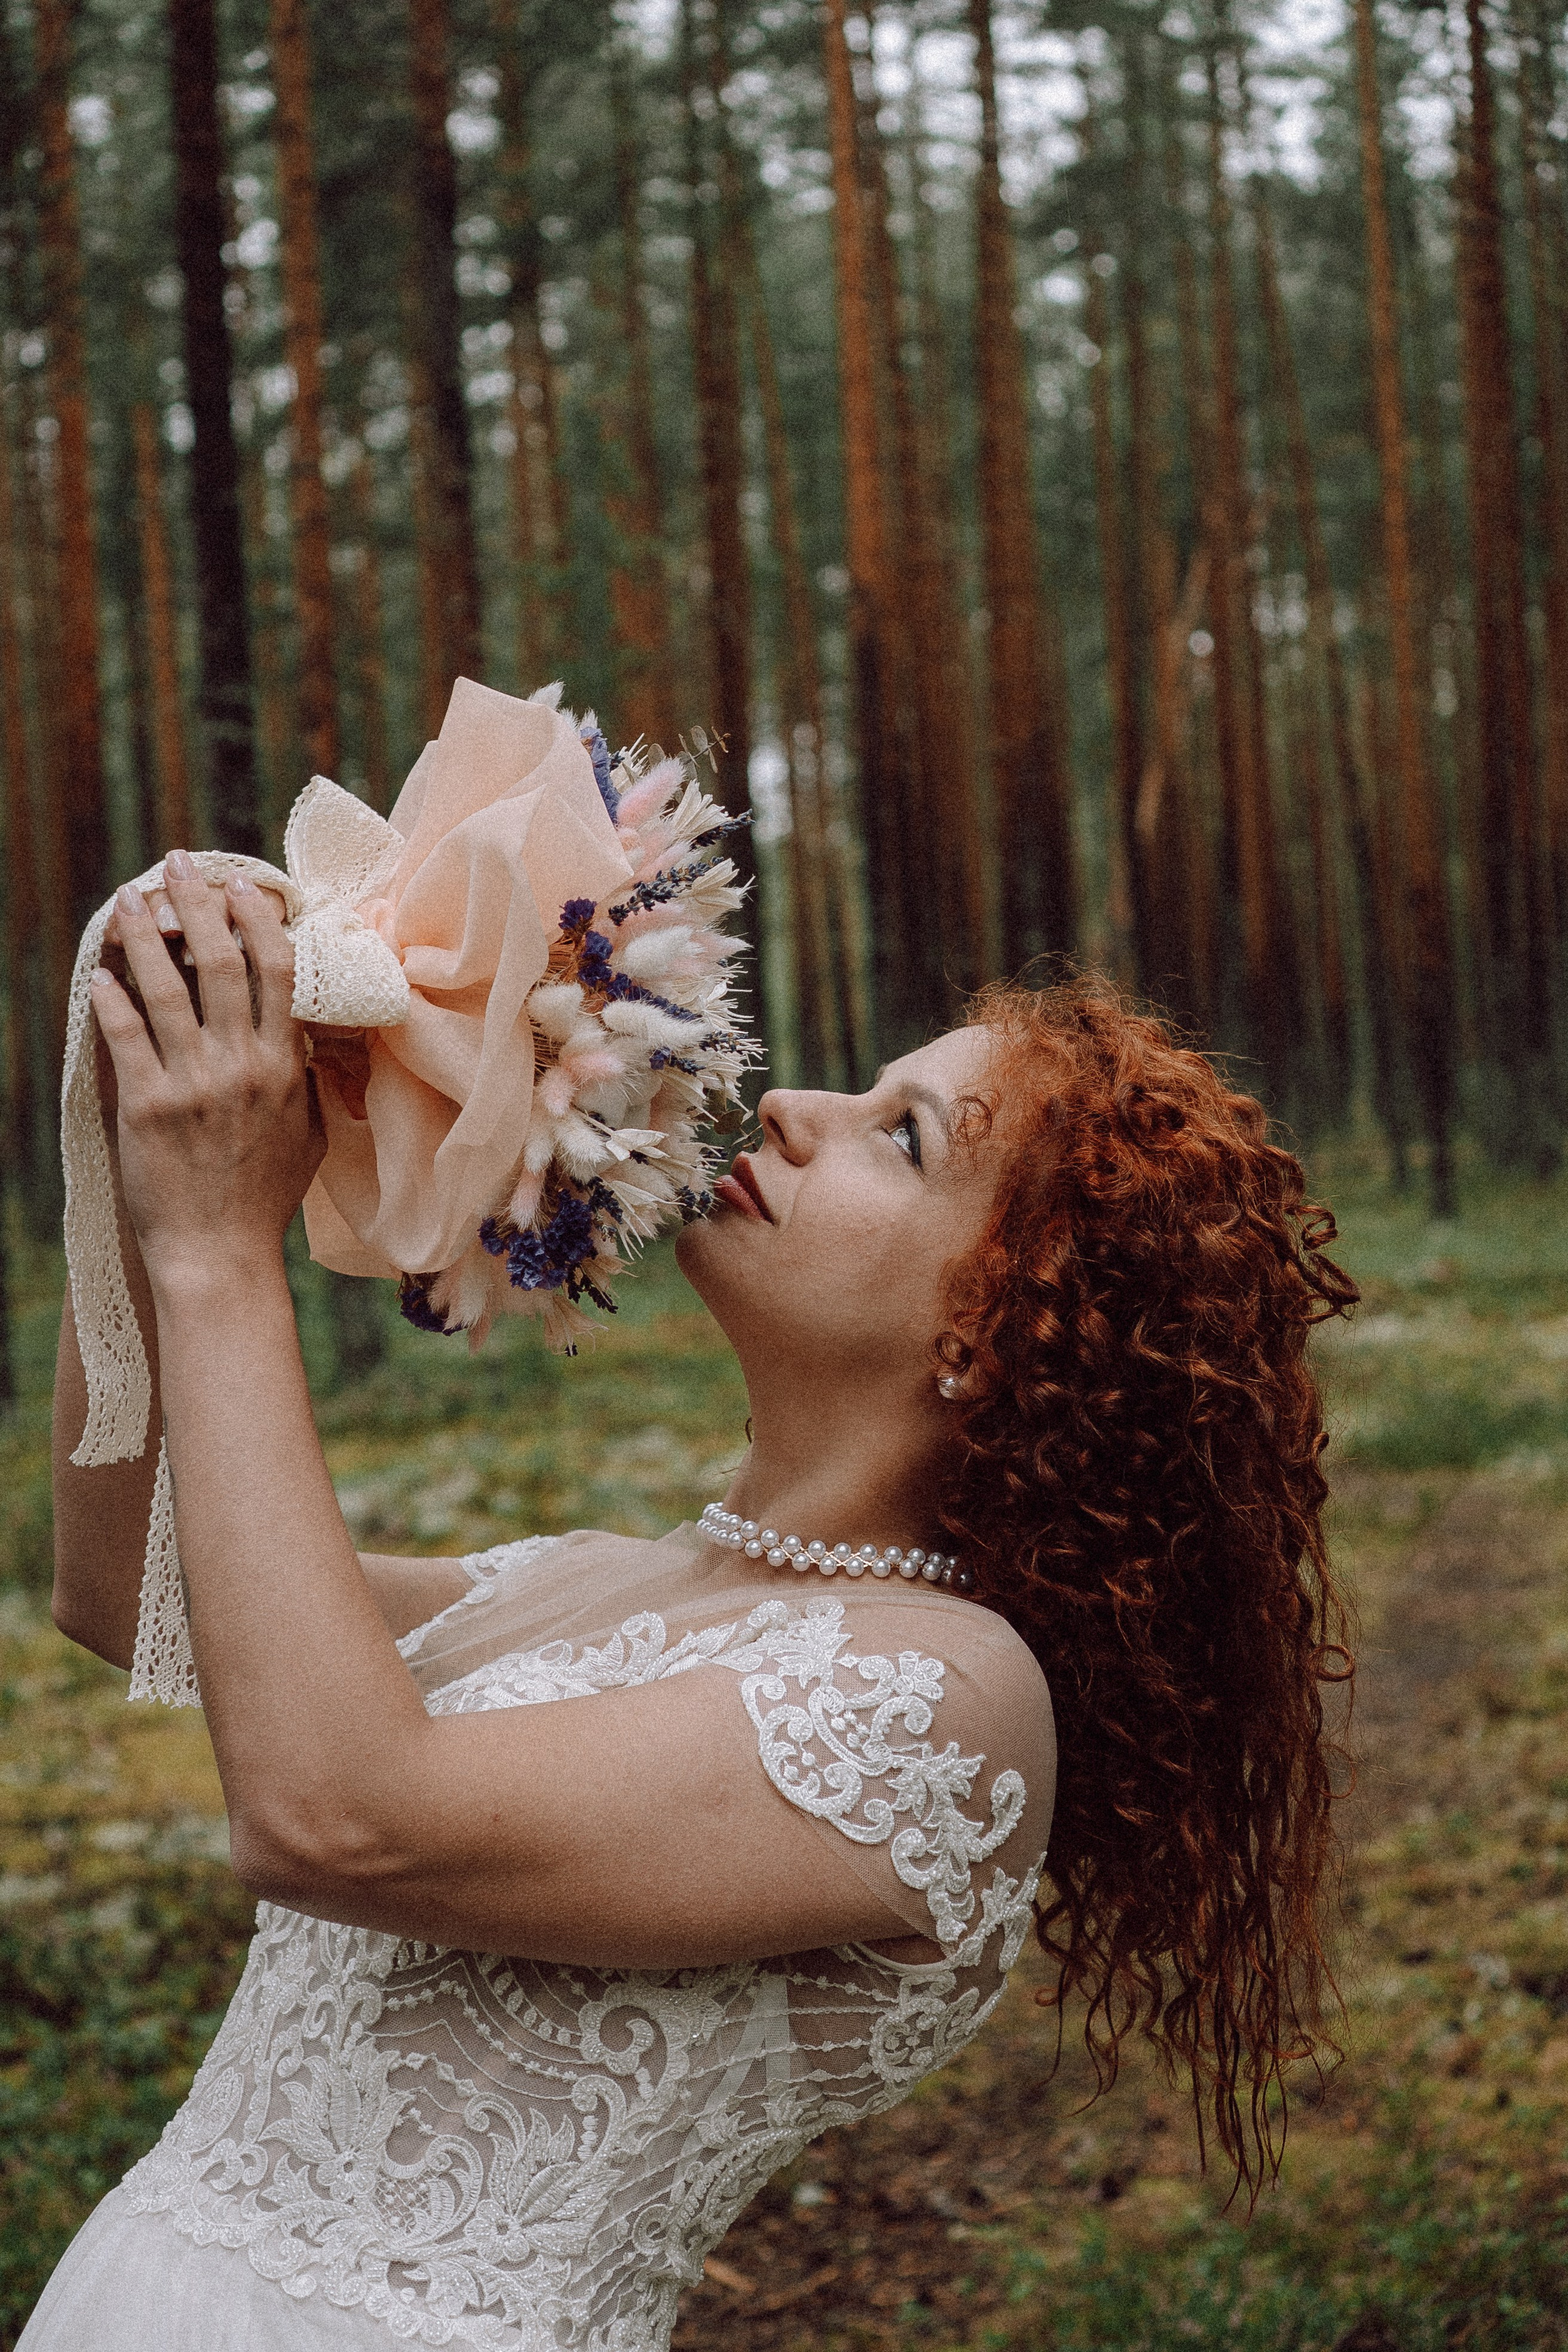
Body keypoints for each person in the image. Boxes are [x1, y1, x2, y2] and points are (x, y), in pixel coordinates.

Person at [26, 859, 1356, 2350]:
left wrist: (218, 1250)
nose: (795, 1109)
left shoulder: (947, 1702)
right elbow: (123, 1578)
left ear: (992, 1331)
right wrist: (142, 1119)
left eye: (895, 1137)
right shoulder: (592, 1576)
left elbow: (334, 1816)